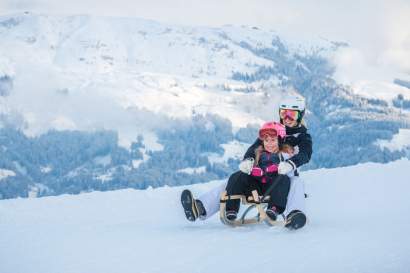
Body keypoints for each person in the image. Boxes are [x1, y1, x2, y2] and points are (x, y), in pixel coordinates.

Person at [180, 95, 312, 229]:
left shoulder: (302, 137)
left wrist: (290, 164)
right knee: (234, 180)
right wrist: (248, 161)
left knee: (297, 183)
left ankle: (295, 215)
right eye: (284, 113)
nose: (287, 118)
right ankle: (200, 207)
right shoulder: (273, 131)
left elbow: (305, 154)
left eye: (292, 114)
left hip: (283, 181)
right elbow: (253, 150)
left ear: (300, 115)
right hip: (261, 179)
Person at [224, 121, 291, 221]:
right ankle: (231, 209)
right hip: (256, 188)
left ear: (280, 141)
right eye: (266, 140)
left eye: (273, 140)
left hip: (272, 188)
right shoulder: (257, 152)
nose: (269, 144)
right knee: (237, 175)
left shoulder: (284, 154)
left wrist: (277, 168)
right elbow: (250, 167)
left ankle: (274, 209)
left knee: (283, 179)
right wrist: (252, 170)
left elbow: (289, 169)